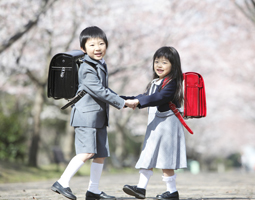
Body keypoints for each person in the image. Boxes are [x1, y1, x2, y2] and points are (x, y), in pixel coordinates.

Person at [51, 26, 134, 200]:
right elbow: (99, 91)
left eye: (101, 43)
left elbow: (104, 89)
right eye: (92, 45)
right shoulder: (86, 67)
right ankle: (62, 182)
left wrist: (122, 99)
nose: (98, 48)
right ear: (83, 48)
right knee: (87, 152)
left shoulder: (99, 64)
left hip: (99, 116)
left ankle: (93, 191)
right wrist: (122, 102)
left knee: (101, 154)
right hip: (86, 116)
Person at [121, 46, 187, 200]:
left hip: (168, 125)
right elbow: (145, 96)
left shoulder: (172, 83)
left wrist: (137, 101)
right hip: (156, 125)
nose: (159, 65)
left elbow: (159, 98)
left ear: (174, 65)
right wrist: (123, 99)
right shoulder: (155, 82)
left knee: (166, 159)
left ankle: (172, 192)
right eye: (157, 61)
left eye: (164, 62)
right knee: (148, 154)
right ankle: (141, 188)